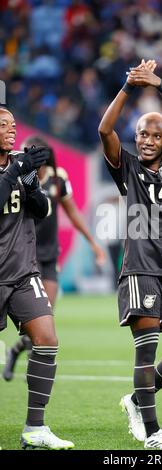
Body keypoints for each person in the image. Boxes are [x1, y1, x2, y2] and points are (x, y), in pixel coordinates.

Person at [98, 60, 162, 450]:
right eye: (142, 134)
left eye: (157, 135)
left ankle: (136, 401)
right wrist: (129, 87)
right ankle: (153, 434)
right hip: (140, 270)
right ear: (135, 138)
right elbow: (105, 129)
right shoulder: (126, 167)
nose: (148, 140)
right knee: (147, 352)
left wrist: (159, 83)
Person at [0, 107, 74, 449]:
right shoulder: (13, 165)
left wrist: (30, 182)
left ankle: (35, 427)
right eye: (3, 125)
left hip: (23, 271)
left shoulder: (19, 164)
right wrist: (16, 170)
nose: (11, 130)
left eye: (13, 125)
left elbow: (42, 212)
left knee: (47, 339)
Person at [2, 135, 105, 381]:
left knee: (44, 318)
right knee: (37, 326)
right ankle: (30, 361)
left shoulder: (59, 178)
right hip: (21, 254)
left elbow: (72, 212)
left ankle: (18, 350)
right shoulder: (16, 175)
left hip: (47, 257)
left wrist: (93, 243)